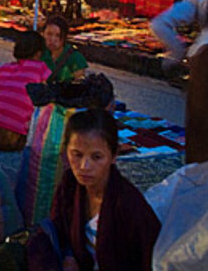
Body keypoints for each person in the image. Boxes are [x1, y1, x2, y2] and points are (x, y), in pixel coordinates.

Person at [30, 109, 160, 271]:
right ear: (66, 151)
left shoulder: (129, 205)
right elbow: (57, 230)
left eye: (96, 157)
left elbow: (149, 261)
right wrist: (69, 256)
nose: (84, 167)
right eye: (77, 155)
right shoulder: (70, 183)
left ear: (114, 156)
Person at [151, 0, 208, 163]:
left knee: (201, 131)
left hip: (207, 64)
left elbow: (159, 24)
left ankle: (201, 179)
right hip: (207, 63)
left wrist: (177, 51)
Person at [0, 31, 51, 151]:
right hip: (13, 138)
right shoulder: (40, 69)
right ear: (39, 53)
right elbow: (46, 99)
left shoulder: (3, 69)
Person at [41, 15, 88, 83]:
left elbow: (79, 87)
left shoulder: (75, 58)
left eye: (58, 36)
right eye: (49, 34)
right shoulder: (40, 54)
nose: (53, 40)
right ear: (43, 34)